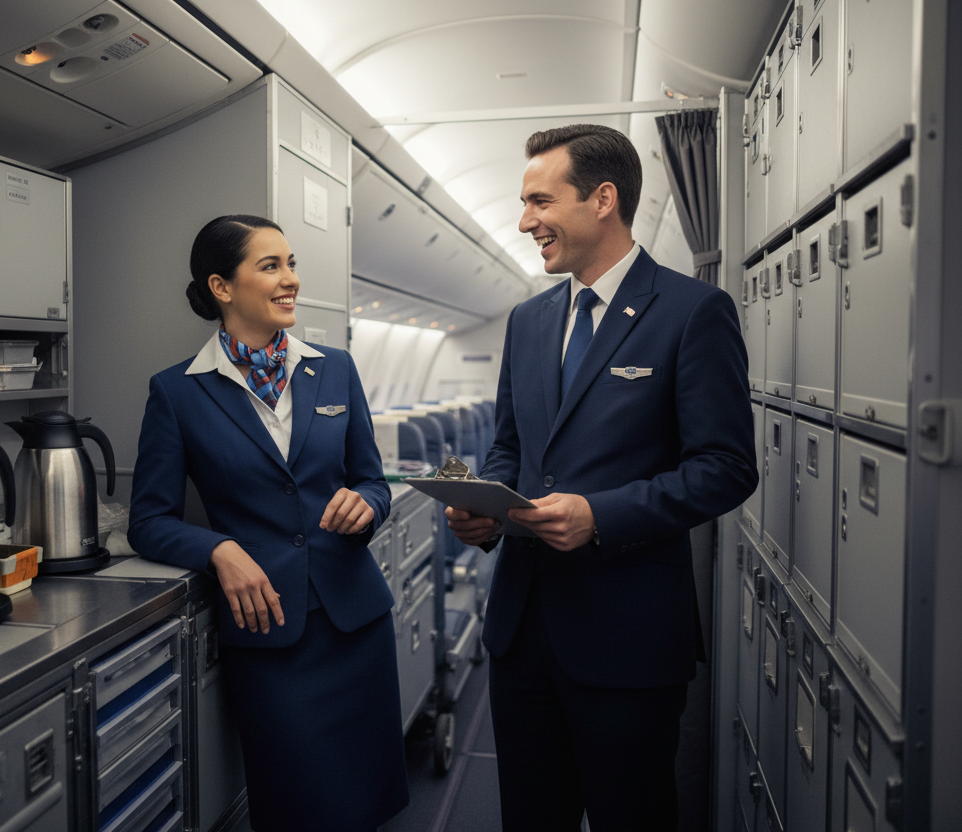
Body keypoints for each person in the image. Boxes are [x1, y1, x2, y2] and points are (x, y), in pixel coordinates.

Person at [446, 125, 758, 830]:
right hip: (522, 635)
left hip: (628, 638)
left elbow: (728, 468)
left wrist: (601, 515)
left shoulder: (690, 311)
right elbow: (509, 449)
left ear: (603, 200)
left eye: (539, 201)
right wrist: (484, 509)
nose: (525, 221)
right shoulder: (528, 321)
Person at [127, 215, 409, 832]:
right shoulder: (178, 392)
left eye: (292, 264)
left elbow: (370, 478)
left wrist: (368, 504)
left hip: (354, 619)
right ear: (222, 287)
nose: (291, 281)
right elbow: (147, 521)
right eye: (271, 266)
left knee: (368, 798)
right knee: (296, 803)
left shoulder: (334, 369)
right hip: (272, 629)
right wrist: (219, 549)